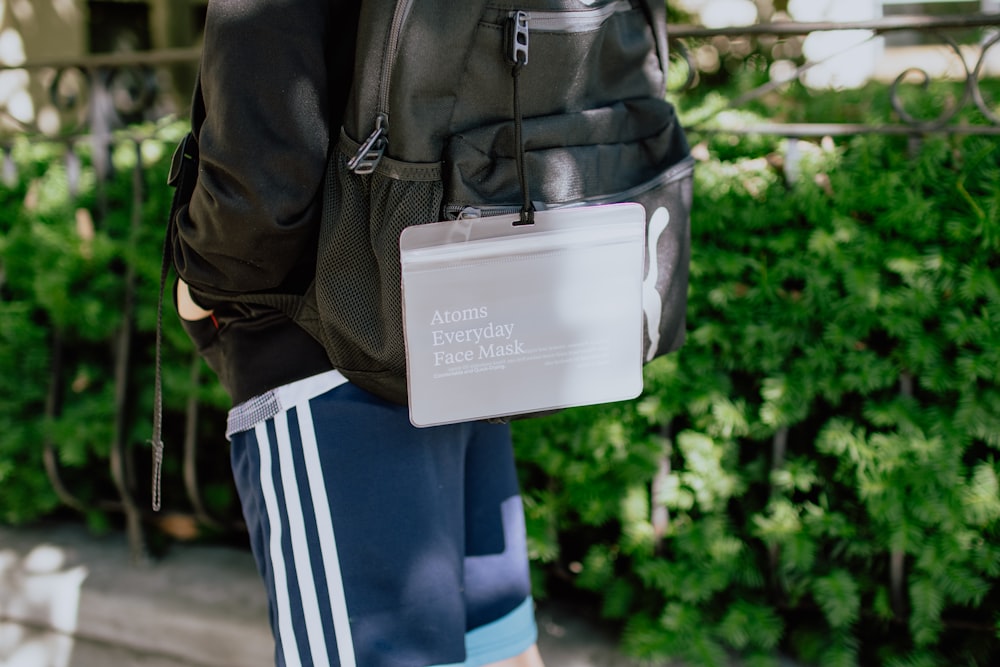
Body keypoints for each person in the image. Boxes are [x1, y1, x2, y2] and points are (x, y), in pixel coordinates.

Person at [169, 1, 546, 666]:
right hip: (461, 317)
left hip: (320, 349)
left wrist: (200, 282)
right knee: (498, 650)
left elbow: (263, 173)